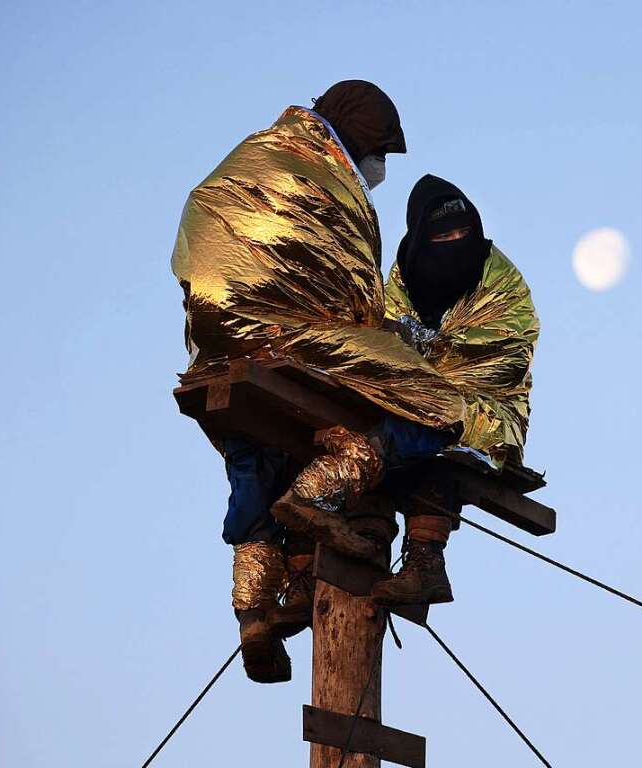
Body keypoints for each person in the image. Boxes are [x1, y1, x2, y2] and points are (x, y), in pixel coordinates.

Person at [171, 82, 464, 684]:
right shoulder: (325, 178)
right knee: (437, 403)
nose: (379, 168)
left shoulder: (255, 155)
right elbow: (350, 301)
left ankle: (254, 612)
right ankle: (323, 488)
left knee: (254, 453)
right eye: (380, 151)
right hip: (293, 339)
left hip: (216, 347)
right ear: (361, 136)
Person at [368, 174, 541, 606]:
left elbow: (505, 356)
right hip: (409, 408)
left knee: (445, 437)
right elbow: (381, 347)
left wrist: (425, 354)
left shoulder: (501, 282)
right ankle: (362, 535)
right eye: (444, 235)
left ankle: (426, 559)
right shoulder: (399, 286)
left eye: (464, 233)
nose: (457, 242)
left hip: (487, 411)